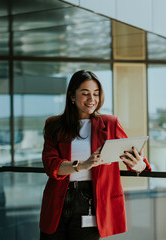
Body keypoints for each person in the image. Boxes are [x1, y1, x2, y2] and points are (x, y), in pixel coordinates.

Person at [39, 70, 152, 240]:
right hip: (57, 201)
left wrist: (139, 165)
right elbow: (51, 165)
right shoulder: (53, 125)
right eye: (85, 94)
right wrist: (82, 165)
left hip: (91, 200)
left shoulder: (110, 124)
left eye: (96, 94)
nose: (92, 99)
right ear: (72, 95)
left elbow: (136, 160)